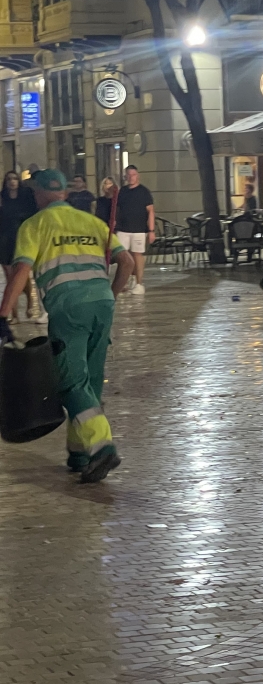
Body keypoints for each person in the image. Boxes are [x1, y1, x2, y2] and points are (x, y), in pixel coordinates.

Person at [0, 169, 133, 483]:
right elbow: (126, 261)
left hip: (68, 308)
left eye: (35, 192)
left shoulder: (35, 224)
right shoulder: (92, 222)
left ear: (42, 194)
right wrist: (109, 295)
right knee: (90, 379)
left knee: (70, 382)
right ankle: (79, 453)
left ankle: (102, 447)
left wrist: (4, 313)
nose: (33, 196)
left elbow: (21, 271)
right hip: (102, 304)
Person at [0, 170, 45, 323]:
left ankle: (30, 302)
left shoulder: (26, 197)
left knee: (22, 274)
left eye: (14, 179)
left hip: (22, 238)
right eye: (9, 179)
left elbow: (33, 214)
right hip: (5, 239)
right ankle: (13, 314)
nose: (12, 182)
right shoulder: (2, 198)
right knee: (9, 277)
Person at [115, 165, 154, 295]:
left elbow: (151, 212)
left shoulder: (144, 192)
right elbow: (117, 209)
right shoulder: (122, 192)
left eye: (134, 175)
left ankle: (139, 283)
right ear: (126, 176)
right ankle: (123, 282)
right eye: (129, 175)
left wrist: (151, 230)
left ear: (138, 176)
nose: (131, 177)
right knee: (123, 255)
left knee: (138, 255)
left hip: (139, 229)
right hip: (123, 229)